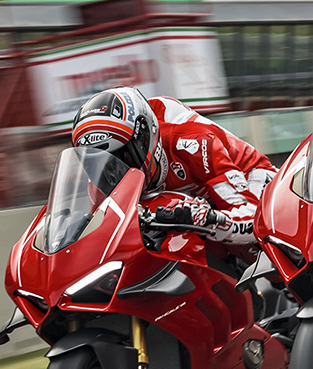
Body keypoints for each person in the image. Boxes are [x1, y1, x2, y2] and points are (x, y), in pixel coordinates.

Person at [70, 87, 276, 255]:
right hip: (190, 203)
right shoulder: (101, 183)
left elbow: (253, 217)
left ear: (144, 140)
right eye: (97, 163)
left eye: (122, 157)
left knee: (251, 243)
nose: (114, 172)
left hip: (250, 179)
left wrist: (209, 219)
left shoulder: (192, 143)